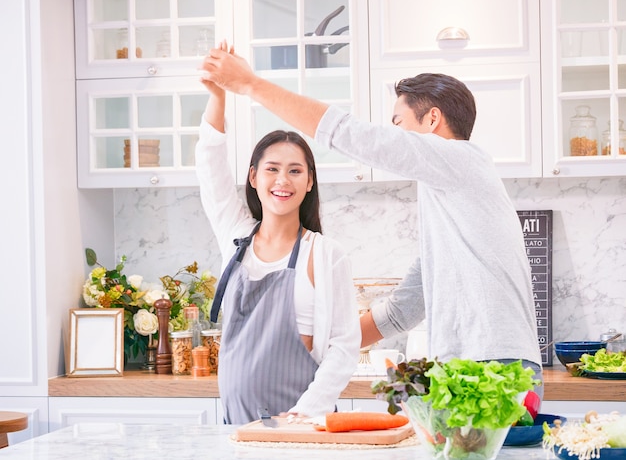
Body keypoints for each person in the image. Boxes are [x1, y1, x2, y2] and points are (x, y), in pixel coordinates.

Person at [200, 44, 544, 397]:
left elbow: (351, 135)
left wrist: (251, 85)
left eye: (398, 125)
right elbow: (404, 308)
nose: (393, 136)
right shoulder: (451, 201)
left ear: (433, 119)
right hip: (473, 366)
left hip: (494, 365)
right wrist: (321, 349)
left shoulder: (461, 160)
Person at [195, 43, 361, 424]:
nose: (282, 180)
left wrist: (305, 413)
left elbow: (343, 346)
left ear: (309, 182)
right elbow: (210, 165)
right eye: (271, 169)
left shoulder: (324, 253)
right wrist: (218, 95)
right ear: (253, 177)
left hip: (301, 424)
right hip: (236, 426)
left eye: (294, 171)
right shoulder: (236, 238)